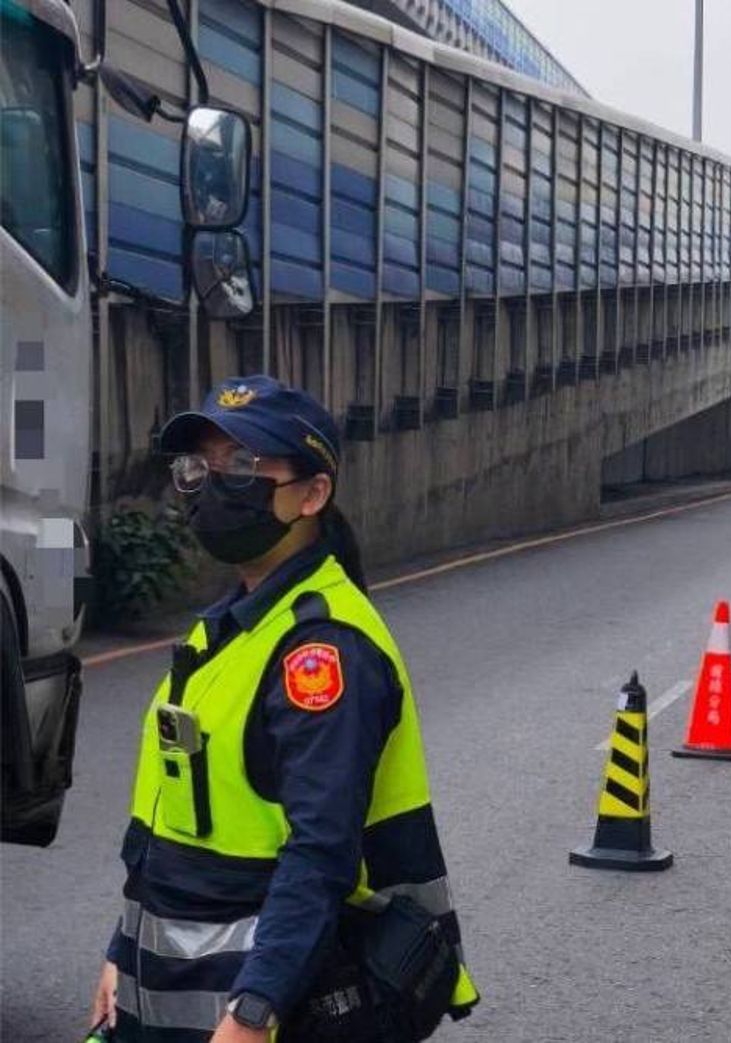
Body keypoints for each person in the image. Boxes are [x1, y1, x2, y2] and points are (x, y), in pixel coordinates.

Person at [90, 377, 478, 1042]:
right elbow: (165, 831)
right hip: (181, 998)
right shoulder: (228, 630)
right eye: (197, 467)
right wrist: (120, 954)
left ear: (314, 491)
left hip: (269, 1008)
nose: (212, 484)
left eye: (243, 465)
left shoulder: (324, 653)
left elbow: (320, 854)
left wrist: (254, 1010)